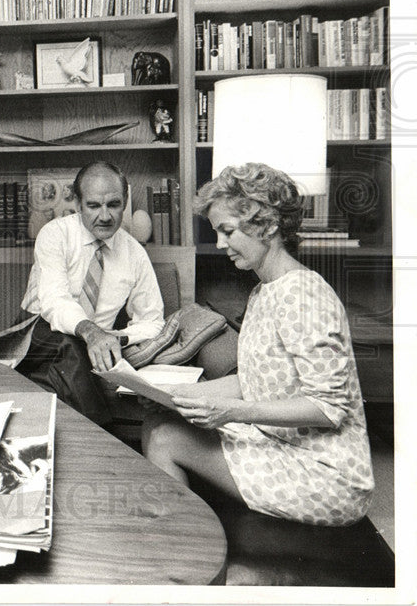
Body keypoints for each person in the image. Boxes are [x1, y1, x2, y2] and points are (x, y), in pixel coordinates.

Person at [142, 163, 374, 526]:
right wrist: (170, 394)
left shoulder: (303, 294)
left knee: (164, 438)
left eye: (228, 231)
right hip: (284, 444)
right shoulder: (263, 290)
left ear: (267, 225)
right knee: (157, 419)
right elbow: (254, 380)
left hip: (327, 475)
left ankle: (184, 547)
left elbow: (329, 408)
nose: (220, 244)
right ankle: (186, 536)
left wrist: (230, 412)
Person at [16, 161, 165, 425]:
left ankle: (56, 408)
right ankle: (105, 434)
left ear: (126, 201)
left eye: (114, 205)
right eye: (94, 206)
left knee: (74, 356)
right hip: (35, 335)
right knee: (70, 343)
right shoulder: (55, 234)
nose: (105, 216)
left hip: (86, 350)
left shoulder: (135, 254)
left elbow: (152, 321)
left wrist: (116, 339)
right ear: (78, 203)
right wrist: (91, 332)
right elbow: (54, 302)